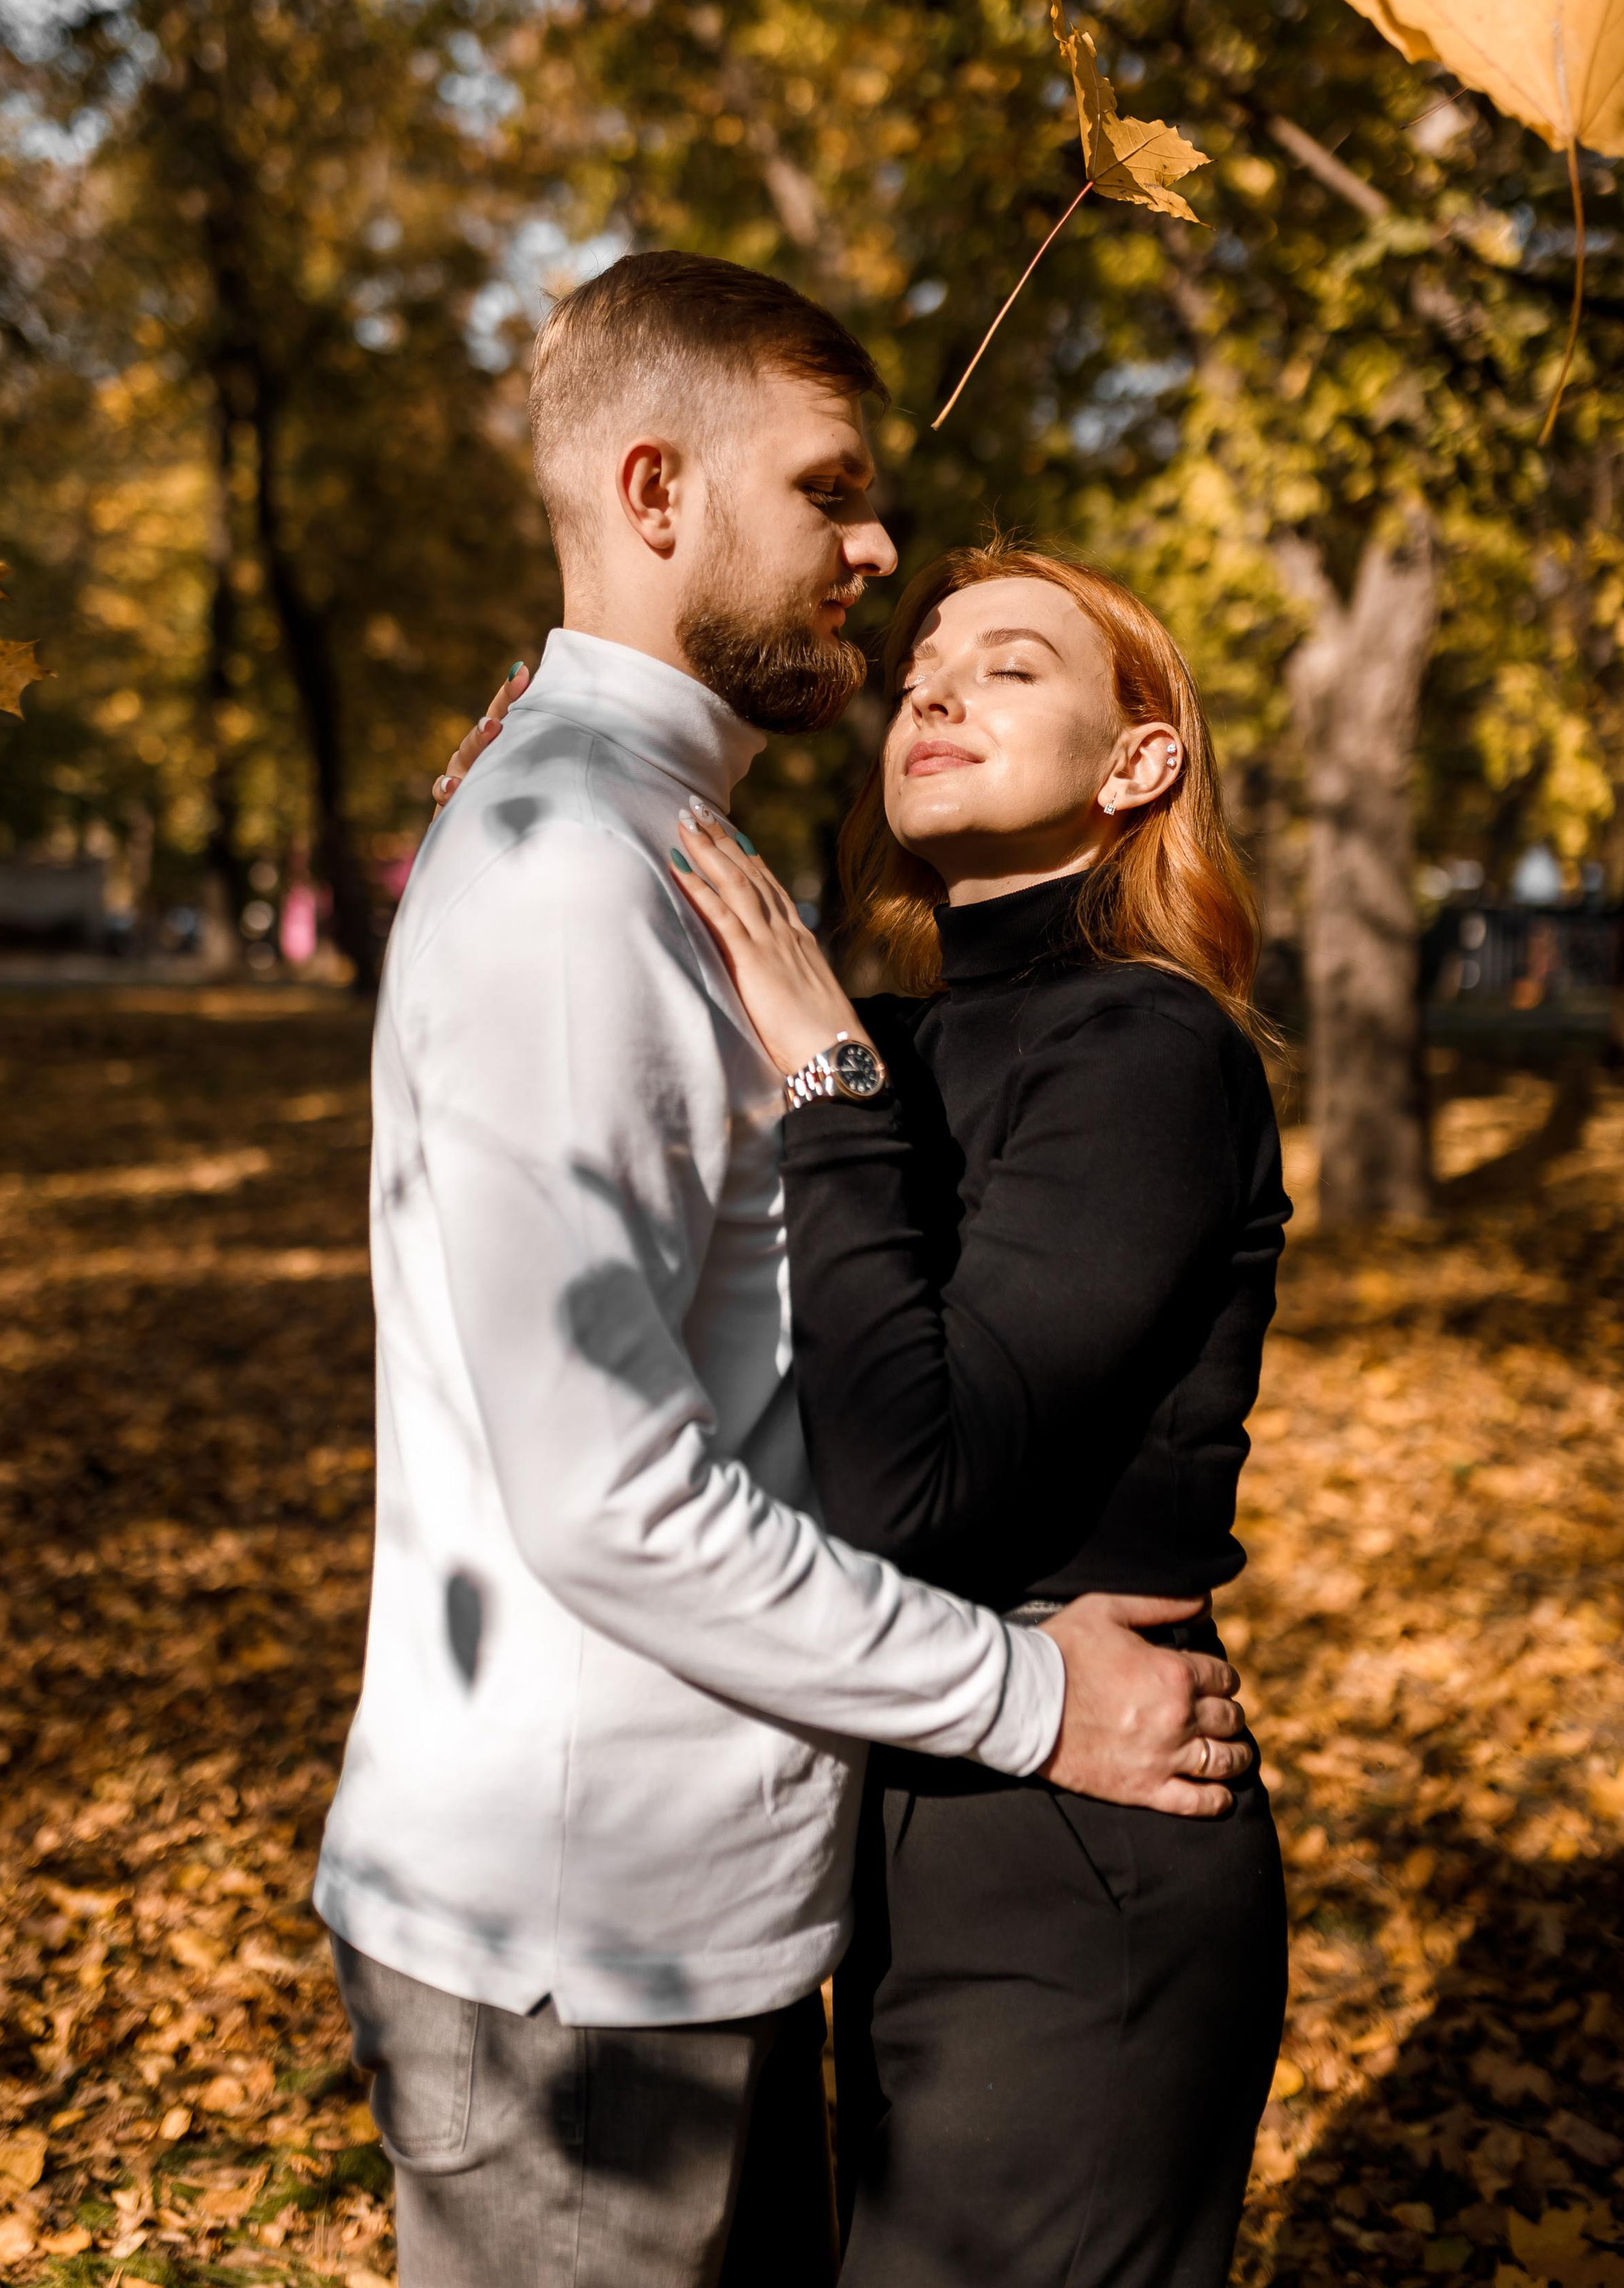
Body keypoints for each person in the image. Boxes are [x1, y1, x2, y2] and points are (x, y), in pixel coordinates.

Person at [320, 254, 1253, 2288]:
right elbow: (609, 1496)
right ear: (657, 495)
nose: (878, 549)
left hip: (700, 1909)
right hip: (586, 1953)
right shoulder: (581, 872)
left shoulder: (641, 835)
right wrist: (1033, 1697)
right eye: (830, 493)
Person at [666, 540, 1290, 2288]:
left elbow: (913, 1485)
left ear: (1134, 762)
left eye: (1011, 667)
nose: (931, 687)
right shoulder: (900, 1038)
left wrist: (836, 1080)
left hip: (1081, 1860)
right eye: (924, 662)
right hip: (891, 1804)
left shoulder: (1149, 1054)